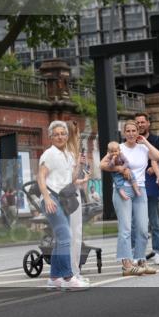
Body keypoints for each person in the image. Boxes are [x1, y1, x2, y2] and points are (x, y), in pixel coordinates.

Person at [101, 121, 159, 276]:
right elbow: (102, 164)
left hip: (140, 189)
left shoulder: (143, 148)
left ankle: (141, 260)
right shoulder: (119, 148)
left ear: (138, 132)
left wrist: (145, 142)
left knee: (142, 228)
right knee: (126, 228)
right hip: (123, 190)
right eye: (127, 131)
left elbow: (158, 156)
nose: (131, 133)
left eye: (134, 130)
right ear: (124, 132)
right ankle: (127, 265)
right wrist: (119, 169)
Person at [38, 121, 90, 291]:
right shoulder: (49, 154)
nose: (60, 137)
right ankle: (68, 277)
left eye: (63, 134)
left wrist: (79, 163)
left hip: (64, 199)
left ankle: (54, 278)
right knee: (66, 237)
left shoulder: (67, 154)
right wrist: (47, 198)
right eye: (56, 134)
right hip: (52, 198)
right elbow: (41, 176)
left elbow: (71, 178)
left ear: (67, 136)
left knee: (61, 239)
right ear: (50, 137)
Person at [136, 112, 159, 266]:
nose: (140, 125)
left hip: (150, 182)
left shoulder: (157, 140)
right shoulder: (130, 139)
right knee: (136, 221)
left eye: (142, 122)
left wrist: (154, 168)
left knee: (154, 219)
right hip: (134, 183)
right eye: (137, 122)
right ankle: (136, 253)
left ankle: (157, 251)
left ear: (148, 123)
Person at [65, 120, 91, 280]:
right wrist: (78, 165)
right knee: (72, 234)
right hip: (67, 197)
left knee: (76, 234)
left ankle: (75, 271)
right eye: (78, 134)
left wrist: (83, 173)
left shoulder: (73, 153)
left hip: (74, 194)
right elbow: (69, 178)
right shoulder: (66, 153)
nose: (79, 137)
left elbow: (76, 181)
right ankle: (71, 272)